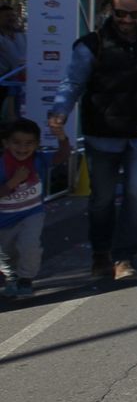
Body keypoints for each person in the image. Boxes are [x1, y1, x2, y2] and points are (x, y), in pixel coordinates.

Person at [48, 0, 137, 283]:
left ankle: (124, 257)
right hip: (103, 133)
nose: (127, 20)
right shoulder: (92, 45)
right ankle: (100, 254)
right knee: (102, 199)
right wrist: (60, 111)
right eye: (121, 14)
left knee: (136, 194)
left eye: (134, 14)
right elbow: (73, 82)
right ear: (109, 12)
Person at [0, 118, 65, 298]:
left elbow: (62, 156)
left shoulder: (38, 159)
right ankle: (11, 278)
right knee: (7, 254)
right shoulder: (2, 165)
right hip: (4, 219)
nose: (22, 148)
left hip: (31, 213)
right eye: (17, 143)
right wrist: (13, 182)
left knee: (29, 247)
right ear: (6, 143)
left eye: (29, 143)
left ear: (37, 144)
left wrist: (61, 138)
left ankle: (26, 278)